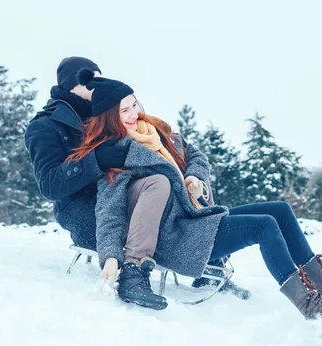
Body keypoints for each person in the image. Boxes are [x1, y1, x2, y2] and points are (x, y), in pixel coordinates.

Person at [69, 69, 322, 322]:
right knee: (263, 225)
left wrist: (194, 176)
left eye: (134, 104)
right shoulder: (115, 154)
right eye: (124, 111)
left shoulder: (158, 134)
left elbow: (196, 155)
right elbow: (108, 212)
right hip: (177, 239)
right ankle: (311, 306)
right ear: (110, 118)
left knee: (279, 209)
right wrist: (110, 257)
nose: (134, 113)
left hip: (196, 220)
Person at [24, 57, 249, 298]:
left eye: (100, 77)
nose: (99, 84)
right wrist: (96, 161)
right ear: (71, 87)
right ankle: (135, 274)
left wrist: (189, 172)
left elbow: (178, 149)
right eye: (91, 81)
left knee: (177, 172)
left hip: (131, 193)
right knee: (159, 188)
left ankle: (211, 264)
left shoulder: (114, 107)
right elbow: (49, 184)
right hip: (87, 212)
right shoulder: (45, 126)